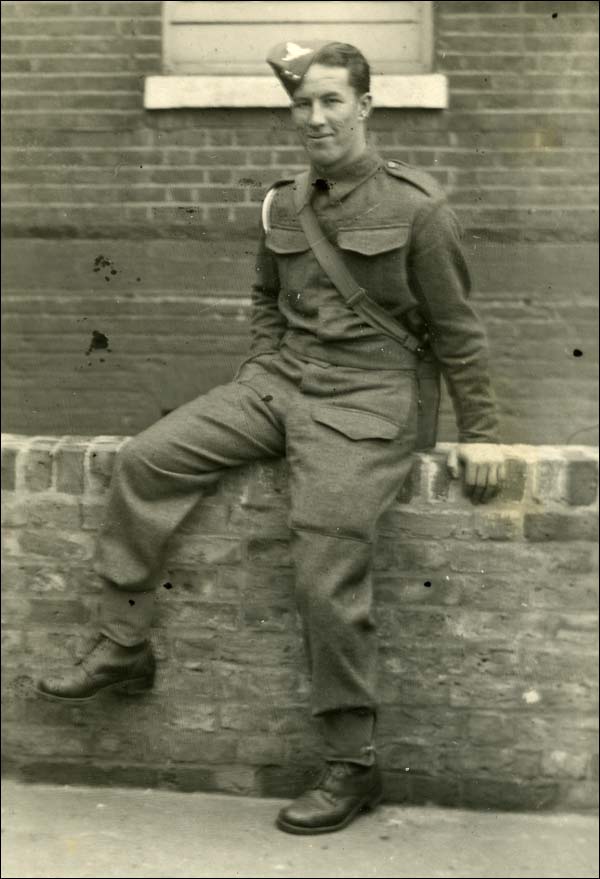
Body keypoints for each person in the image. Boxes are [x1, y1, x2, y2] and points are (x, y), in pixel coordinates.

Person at [37, 40, 506, 834]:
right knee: (148, 459)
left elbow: (459, 331)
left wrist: (485, 431)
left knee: (324, 567)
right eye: (303, 103)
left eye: (331, 101)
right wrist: (262, 370)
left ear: (365, 106)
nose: (315, 118)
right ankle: (125, 643)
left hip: (369, 400)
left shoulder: (419, 209)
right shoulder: (283, 204)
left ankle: (351, 763)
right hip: (282, 382)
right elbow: (264, 297)